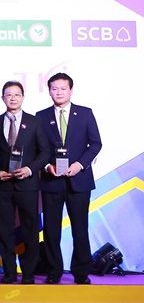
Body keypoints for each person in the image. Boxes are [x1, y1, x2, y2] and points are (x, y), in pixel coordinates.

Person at [37, 72, 102, 284]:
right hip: (52, 180)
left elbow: (95, 143)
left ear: (71, 90)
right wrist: (47, 166)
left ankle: (81, 272)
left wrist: (79, 165)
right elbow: (38, 148)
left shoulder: (85, 113)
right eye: (54, 88)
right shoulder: (41, 116)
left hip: (79, 180)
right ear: (49, 91)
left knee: (80, 228)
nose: (59, 92)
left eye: (63, 88)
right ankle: (54, 271)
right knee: (51, 229)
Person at [0, 80, 48, 284]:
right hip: (3, 185)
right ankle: (9, 272)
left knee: (30, 229)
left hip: (27, 185)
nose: (13, 98)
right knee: (4, 229)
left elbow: (45, 152)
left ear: (23, 97)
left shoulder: (35, 122)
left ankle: (29, 273)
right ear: (2, 98)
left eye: (17, 94)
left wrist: (30, 169)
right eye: (9, 94)